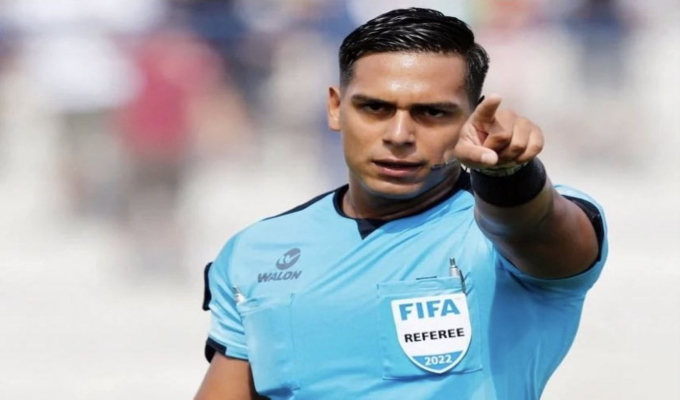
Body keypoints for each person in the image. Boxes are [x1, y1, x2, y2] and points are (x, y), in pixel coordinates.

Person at [194, 8, 608, 400]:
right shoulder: (256, 251)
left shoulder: (506, 233)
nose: (399, 135)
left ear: (473, 119)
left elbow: (532, 228)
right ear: (336, 108)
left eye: (432, 113)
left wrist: (508, 175)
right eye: (375, 107)